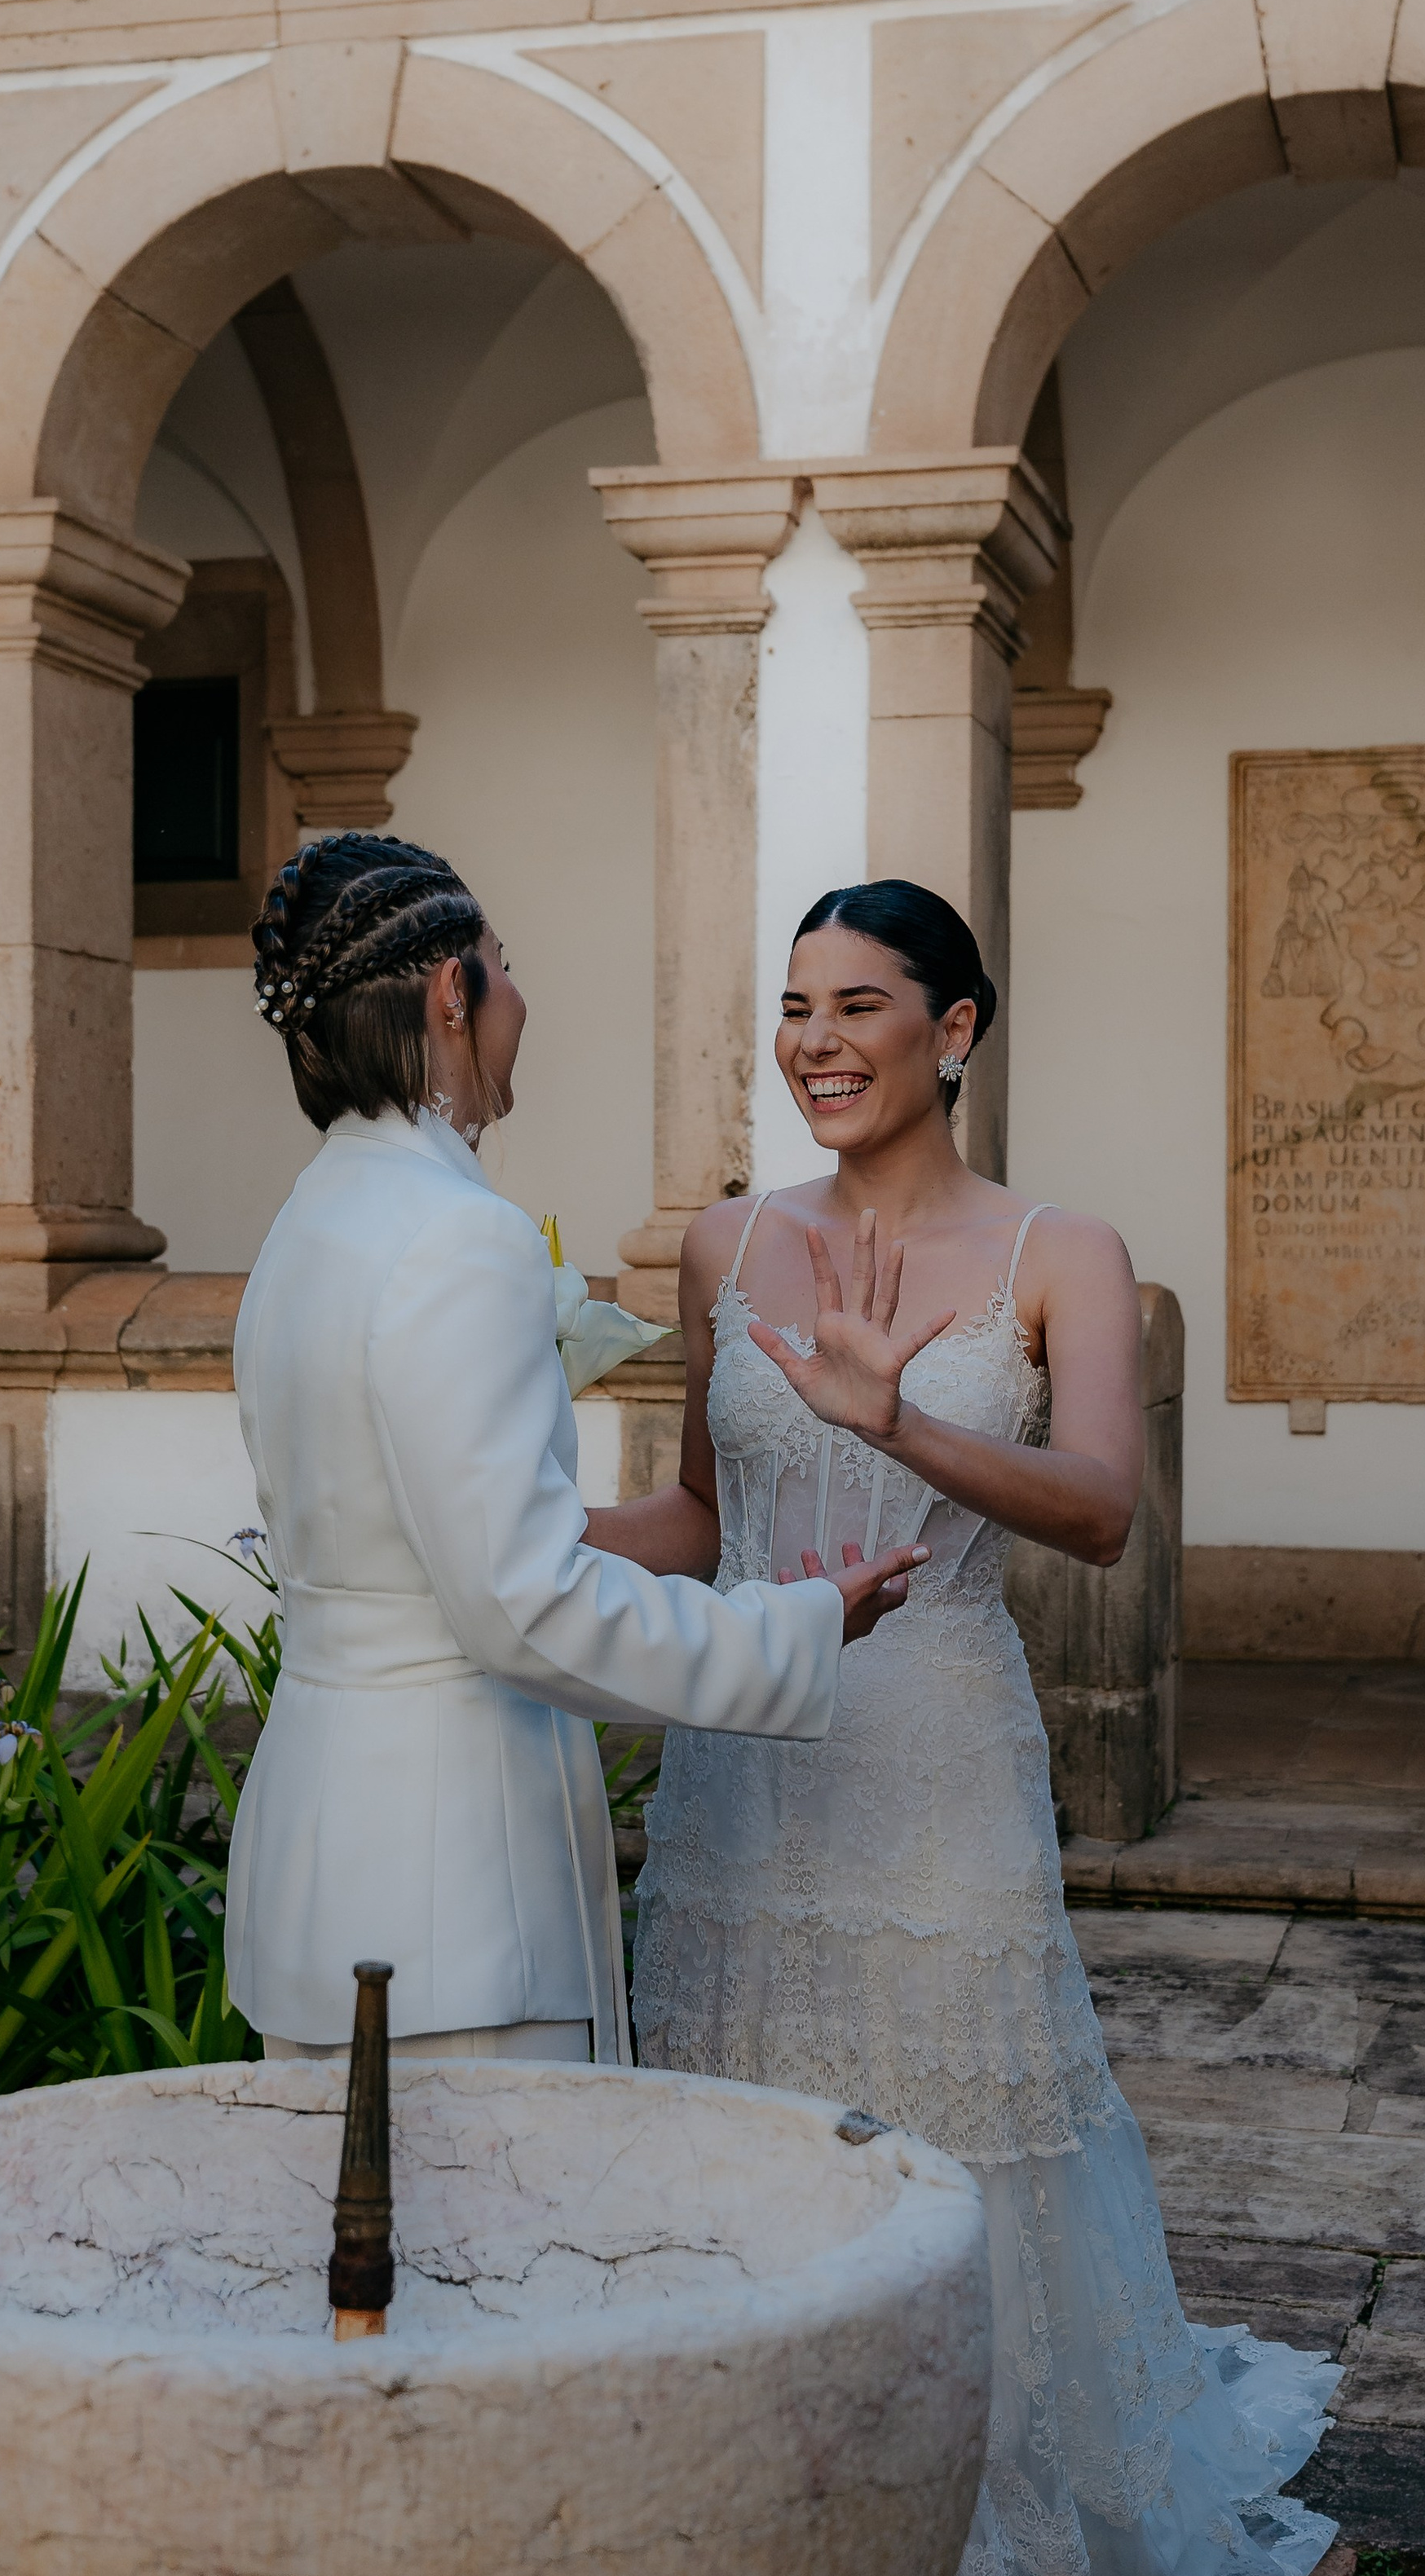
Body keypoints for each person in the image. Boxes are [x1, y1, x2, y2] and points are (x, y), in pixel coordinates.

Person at [631, 880, 1341, 2576]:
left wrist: (901, 1421)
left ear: (953, 1030)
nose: (813, 1040)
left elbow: (1103, 1512)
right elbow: (700, 1517)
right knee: (746, 2156)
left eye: (858, 1005)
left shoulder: (1059, 1254)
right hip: (743, 1768)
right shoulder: (723, 1244)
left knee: (948, 2164)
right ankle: (751, 2539)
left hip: (935, 1765)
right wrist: (467, 1536)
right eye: (791, 1007)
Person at [223, 834, 924, 2067]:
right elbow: (523, 1603)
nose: (519, 1000)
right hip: (456, 1898)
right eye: (505, 966)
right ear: (452, 993)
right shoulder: (460, 1237)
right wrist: (795, 1630)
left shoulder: (305, 1221)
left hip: (320, 1870)